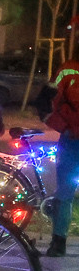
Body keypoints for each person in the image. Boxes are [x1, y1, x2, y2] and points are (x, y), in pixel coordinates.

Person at [42, 66, 79, 256]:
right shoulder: (68, 71)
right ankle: (59, 240)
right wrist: (65, 127)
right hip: (73, 141)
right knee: (65, 191)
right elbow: (45, 102)